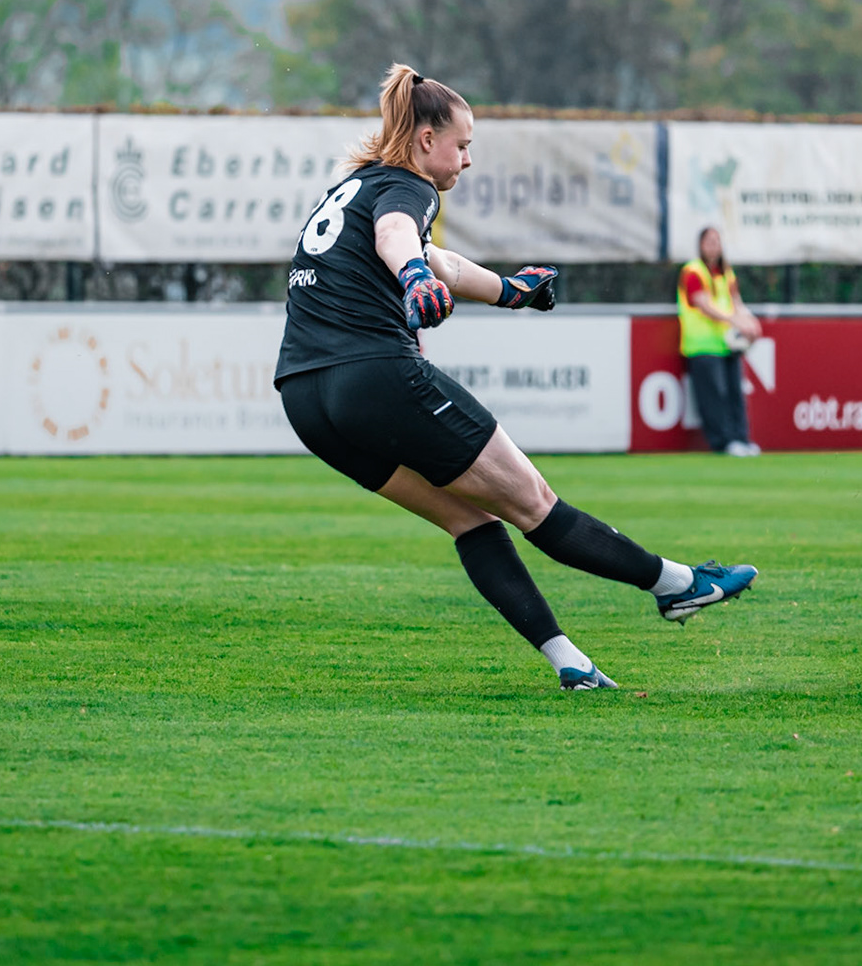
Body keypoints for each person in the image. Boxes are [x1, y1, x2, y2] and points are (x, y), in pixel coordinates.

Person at [275, 63, 757, 691]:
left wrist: (508, 291)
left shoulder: (359, 184)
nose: (467, 160)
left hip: (306, 399)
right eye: (463, 144)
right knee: (533, 503)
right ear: (426, 139)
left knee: (469, 520)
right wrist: (412, 278)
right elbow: (401, 239)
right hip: (374, 376)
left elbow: (436, 256)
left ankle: (572, 664)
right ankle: (678, 585)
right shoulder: (409, 187)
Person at [678, 226, 763, 456]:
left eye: (717, 240)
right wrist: (735, 321)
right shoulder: (693, 271)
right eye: (709, 241)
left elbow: (737, 302)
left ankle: (741, 438)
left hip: (728, 345)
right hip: (703, 346)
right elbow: (703, 304)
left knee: (736, 392)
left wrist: (750, 322)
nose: (713, 245)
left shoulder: (725, 272)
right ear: (700, 244)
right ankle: (724, 442)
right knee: (715, 396)